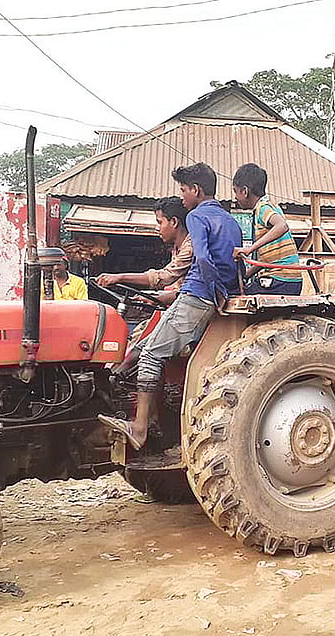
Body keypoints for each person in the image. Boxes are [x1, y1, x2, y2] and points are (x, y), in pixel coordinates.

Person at [100, 163, 242, 450]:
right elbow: (234, 264)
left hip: (196, 296)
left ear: (195, 190)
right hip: (204, 295)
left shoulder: (198, 217)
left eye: (183, 190)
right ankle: (115, 388)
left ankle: (139, 428)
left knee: (151, 353)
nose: (182, 196)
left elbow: (202, 259)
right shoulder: (231, 221)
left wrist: (213, 288)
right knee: (142, 346)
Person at [96, 196, 193, 375]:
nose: (157, 227)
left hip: (189, 311)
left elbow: (163, 278)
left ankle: (115, 379)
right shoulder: (177, 248)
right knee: (136, 335)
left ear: (174, 222)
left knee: (144, 348)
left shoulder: (190, 246)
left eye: (159, 222)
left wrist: (120, 277)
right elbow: (176, 287)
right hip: (178, 303)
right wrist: (151, 296)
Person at [231, 163, 303, 296]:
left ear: (245, 191)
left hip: (279, 279)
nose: (235, 197)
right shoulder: (273, 206)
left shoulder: (262, 208)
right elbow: (267, 260)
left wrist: (249, 249)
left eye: (236, 191)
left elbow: (282, 226)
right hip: (290, 280)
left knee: (237, 297)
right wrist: (246, 274)